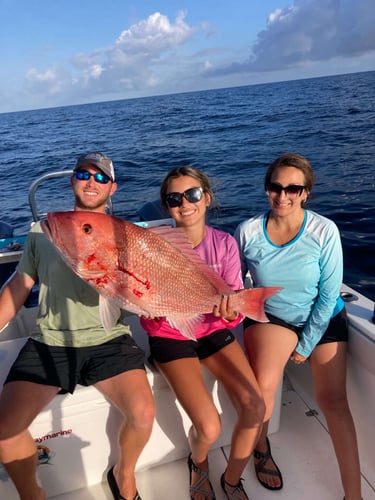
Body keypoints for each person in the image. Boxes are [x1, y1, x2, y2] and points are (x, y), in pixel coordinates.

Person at [0, 152, 155, 500]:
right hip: (50, 340)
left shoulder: (127, 237)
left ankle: (124, 474)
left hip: (109, 337)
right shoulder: (43, 231)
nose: (90, 182)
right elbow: (19, 286)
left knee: (144, 413)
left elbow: (144, 288)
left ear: (112, 188)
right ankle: (31, 494)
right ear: (72, 180)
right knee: (5, 430)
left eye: (100, 178)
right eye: (83, 174)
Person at [234, 153, 362, 500]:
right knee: (263, 391)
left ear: (306, 193)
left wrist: (305, 346)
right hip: (273, 317)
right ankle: (260, 448)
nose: (283, 195)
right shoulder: (247, 231)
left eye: (294, 188)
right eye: (276, 187)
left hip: (323, 317)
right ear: (266, 189)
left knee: (334, 401)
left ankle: (354, 494)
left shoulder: (324, 230)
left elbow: (327, 295)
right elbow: (233, 282)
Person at [141, 166, 265, 500]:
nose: (185, 203)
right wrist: (145, 306)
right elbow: (141, 297)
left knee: (256, 408)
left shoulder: (224, 243)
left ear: (207, 199)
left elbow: (234, 305)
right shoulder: (154, 246)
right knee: (209, 427)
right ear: (166, 207)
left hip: (212, 330)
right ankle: (198, 463)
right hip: (170, 334)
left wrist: (230, 312)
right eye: (174, 198)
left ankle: (232, 478)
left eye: (193, 194)